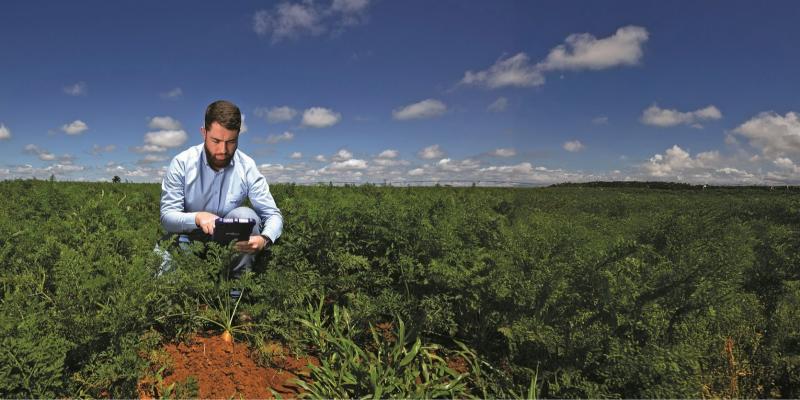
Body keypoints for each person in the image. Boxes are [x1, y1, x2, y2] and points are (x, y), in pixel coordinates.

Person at [157, 100, 283, 280]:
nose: (222, 150)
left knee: (247, 215)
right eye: (215, 141)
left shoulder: (246, 166)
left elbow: (273, 214)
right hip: (188, 238)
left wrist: (264, 239)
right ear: (204, 132)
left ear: (238, 135)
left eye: (231, 142)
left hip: (229, 243)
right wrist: (198, 217)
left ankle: (237, 286)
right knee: (161, 284)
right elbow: (167, 217)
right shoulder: (182, 163)